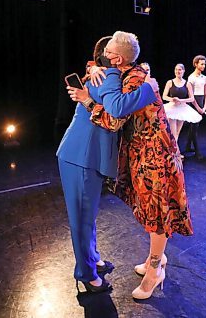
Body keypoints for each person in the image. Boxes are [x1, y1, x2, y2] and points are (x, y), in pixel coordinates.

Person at [91, 32, 194, 300]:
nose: (104, 56)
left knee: (157, 214)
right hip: (143, 153)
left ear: (118, 58)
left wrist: (87, 100)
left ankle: (156, 269)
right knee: (151, 212)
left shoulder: (136, 79)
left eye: (108, 52)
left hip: (154, 156)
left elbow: (114, 120)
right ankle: (154, 259)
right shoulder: (131, 73)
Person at [57, 36, 158, 294]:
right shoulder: (110, 75)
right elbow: (116, 108)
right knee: (82, 218)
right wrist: (149, 89)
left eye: (109, 51)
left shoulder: (103, 73)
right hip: (81, 155)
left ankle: (92, 259)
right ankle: (87, 274)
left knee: (87, 214)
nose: (105, 54)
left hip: (84, 154)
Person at [162, 63, 202, 145]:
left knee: (177, 132)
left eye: (179, 69)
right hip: (172, 108)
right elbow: (164, 96)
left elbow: (192, 98)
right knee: (173, 133)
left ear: (183, 71)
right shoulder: (170, 82)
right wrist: (172, 99)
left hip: (182, 108)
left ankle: (175, 152)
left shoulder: (187, 84)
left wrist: (181, 100)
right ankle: (175, 153)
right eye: (176, 69)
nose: (177, 71)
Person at [185, 55, 206, 160]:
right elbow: (191, 96)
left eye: (204, 64)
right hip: (194, 103)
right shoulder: (191, 78)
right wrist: (198, 108)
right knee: (195, 127)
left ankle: (188, 146)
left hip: (201, 101)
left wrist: (204, 106)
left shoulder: (204, 78)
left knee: (193, 126)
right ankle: (197, 150)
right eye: (201, 64)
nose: (203, 66)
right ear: (196, 64)